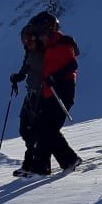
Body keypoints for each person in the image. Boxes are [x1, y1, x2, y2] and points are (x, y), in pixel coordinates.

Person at [30, 12, 83, 172]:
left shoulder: (61, 43)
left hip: (62, 91)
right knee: (43, 129)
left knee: (49, 129)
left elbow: (73, 64)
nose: (39, 37)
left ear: (48, 29)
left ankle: (68, 161)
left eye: (40, 33)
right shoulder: (48, 47)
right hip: (49, 93)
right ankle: (43, 167)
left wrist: (54, 77)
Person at [8, 23, 47, 177]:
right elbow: (26, 68)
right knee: (25, 129)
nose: (25, 44)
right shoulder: (29, 53)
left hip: (41, 94)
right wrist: (18, 76)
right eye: (23, 41)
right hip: (31, 94)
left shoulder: (43, 53)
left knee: (34, 131)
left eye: (28, 40)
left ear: (35, 38)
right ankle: (31, 165)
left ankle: (33, 165)